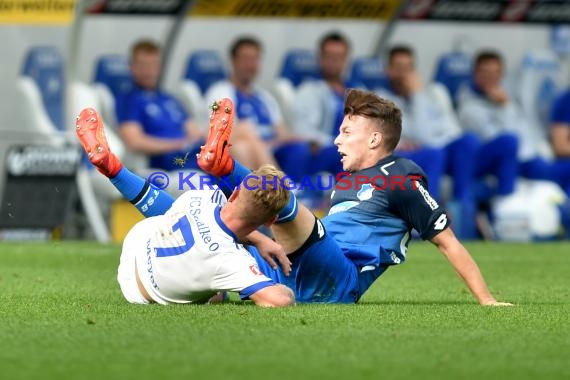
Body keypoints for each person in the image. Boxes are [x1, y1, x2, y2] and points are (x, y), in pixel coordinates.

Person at [198, 89, 512, 306]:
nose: (336, 140)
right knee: (204, 256)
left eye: (347, 132)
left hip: (340, 277)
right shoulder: (347, 181)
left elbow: (448, 242)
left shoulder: (401, 177)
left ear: (374, 139)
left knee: (282, 201)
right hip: (292, 270)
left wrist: (487, 300)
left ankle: (225, 166)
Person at [75, 99, 294, 307]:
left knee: (174, 214)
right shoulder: (232, 262)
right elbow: (279, 300)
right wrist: (285, 289)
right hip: (140, 291)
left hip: (139, 241)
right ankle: (223, 164)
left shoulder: (203, 196)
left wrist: (256, 241)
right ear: (270, 221)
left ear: (235, 194)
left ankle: (115, 170)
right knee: (218, 292)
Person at [376, 45, 480, 239]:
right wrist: (416, 96)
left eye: (408, 68)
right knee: (434, 153)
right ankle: (426, 219)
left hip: (437, 150)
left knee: (467, 142)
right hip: (405, 156)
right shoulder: (381, 98)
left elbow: (452, 130)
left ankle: (463, 207)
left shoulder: (435, 92)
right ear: (388, 70)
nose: (403, 74)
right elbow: (421, 135)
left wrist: (419, 95)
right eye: (398, 68)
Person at [459, 50, 570, 198]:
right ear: (475, 74)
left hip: (530, 158)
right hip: (509, 164)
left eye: (496, 72)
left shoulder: (506, 97)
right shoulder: (469, 107)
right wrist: (505, 107)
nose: (491, 78)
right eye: (486, 72)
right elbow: (504, 141)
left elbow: (526, 131)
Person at [206, 37, 309, 182]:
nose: (250, 65)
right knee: (245, 140)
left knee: (299, 148)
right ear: (233, 61)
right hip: (239, 150)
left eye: (254, 59)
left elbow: (281, 133)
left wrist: (305, 138)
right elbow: (222, 134)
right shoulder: (220, 92)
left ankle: (292, 188)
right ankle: (283, 187)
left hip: (270, 148)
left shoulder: (265, 97)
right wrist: (258, 143)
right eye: (245, 59)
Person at [118, 39, 204, 173]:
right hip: (168, 161)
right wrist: (177, 145)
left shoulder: (169, 99)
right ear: (132, 67)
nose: (149, 70)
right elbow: (134, 141)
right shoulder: (129, 100)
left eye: (154, 65)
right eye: (143, 65)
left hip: (192, 153)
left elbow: (194, 131)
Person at [293, 31, 359, 177]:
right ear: (320, 58)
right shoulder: (308, 90)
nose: (334, 61)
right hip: (326, 152)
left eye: (339, 57)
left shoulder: (359, 91)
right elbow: (302, 130)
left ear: (346, 59)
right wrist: (337, 142)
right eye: (330, 56)